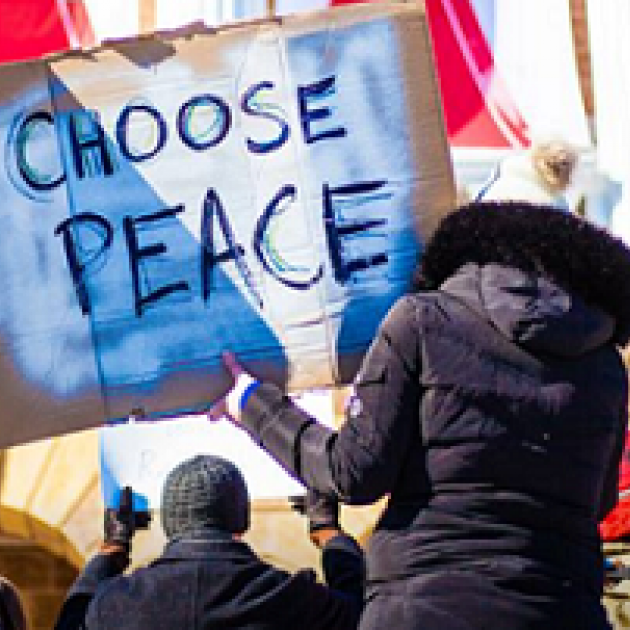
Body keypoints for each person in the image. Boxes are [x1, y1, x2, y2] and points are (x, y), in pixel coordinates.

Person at [215, 200, 630, 629]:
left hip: (426, 605)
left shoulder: (420, 321)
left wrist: (253, 404)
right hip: (563, 609)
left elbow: (353, 473)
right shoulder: (605, 365)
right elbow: (596, 502)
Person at [54, 454, 364, 630]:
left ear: (170, 523)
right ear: (241, 521)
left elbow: (71, 621)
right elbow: (365, 611)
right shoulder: (286, 596)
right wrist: (327, 530)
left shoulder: (117, 604)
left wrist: (114, 547)